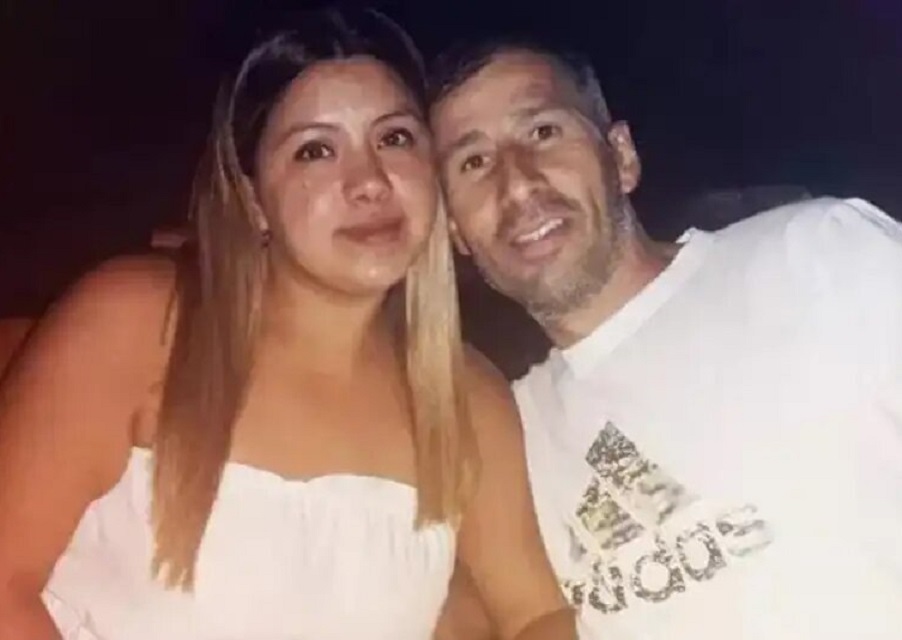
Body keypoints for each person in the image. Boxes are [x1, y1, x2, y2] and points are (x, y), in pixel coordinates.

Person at [0, 11, 576, 640]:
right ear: (252, 199)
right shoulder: (141, 322)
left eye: (395, 138)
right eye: (315, 150)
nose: (369, 182)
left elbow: (535, 615)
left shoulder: (464, 396)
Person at [429, 37, 902, 639]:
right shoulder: (505, 436)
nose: (517, 183)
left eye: (543, 132)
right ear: (457, 233)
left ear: (621, 156)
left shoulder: (816, 252)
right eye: (473, 163)